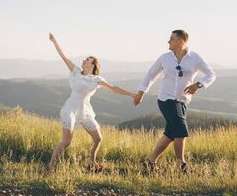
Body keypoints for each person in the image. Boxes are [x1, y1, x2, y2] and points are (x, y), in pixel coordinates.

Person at [47, 33, 137, 174]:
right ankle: (51, 166)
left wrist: (134, 95)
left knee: (98, 138)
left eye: (87, 60)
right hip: (71, 108)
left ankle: (91, 161)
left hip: (85, 110)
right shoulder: (76, 71)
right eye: (85, 59)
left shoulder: (97, 79)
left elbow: (115, 89)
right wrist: (54, 41)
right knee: (67, 140)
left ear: (93, 64)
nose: (84, 60)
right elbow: (63, 56)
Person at [134, 30, 216, 174]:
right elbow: (150, 76)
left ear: (181, 41)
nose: (168, 41)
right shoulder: (164, 58)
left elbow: (211, 74)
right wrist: (141, 94)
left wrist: (198, 84)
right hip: (166, 99)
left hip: (183, 101)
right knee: (180, 131)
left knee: (171, 134)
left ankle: (150, 162)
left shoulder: (195, 58)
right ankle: (181, 165)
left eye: (171, 39)